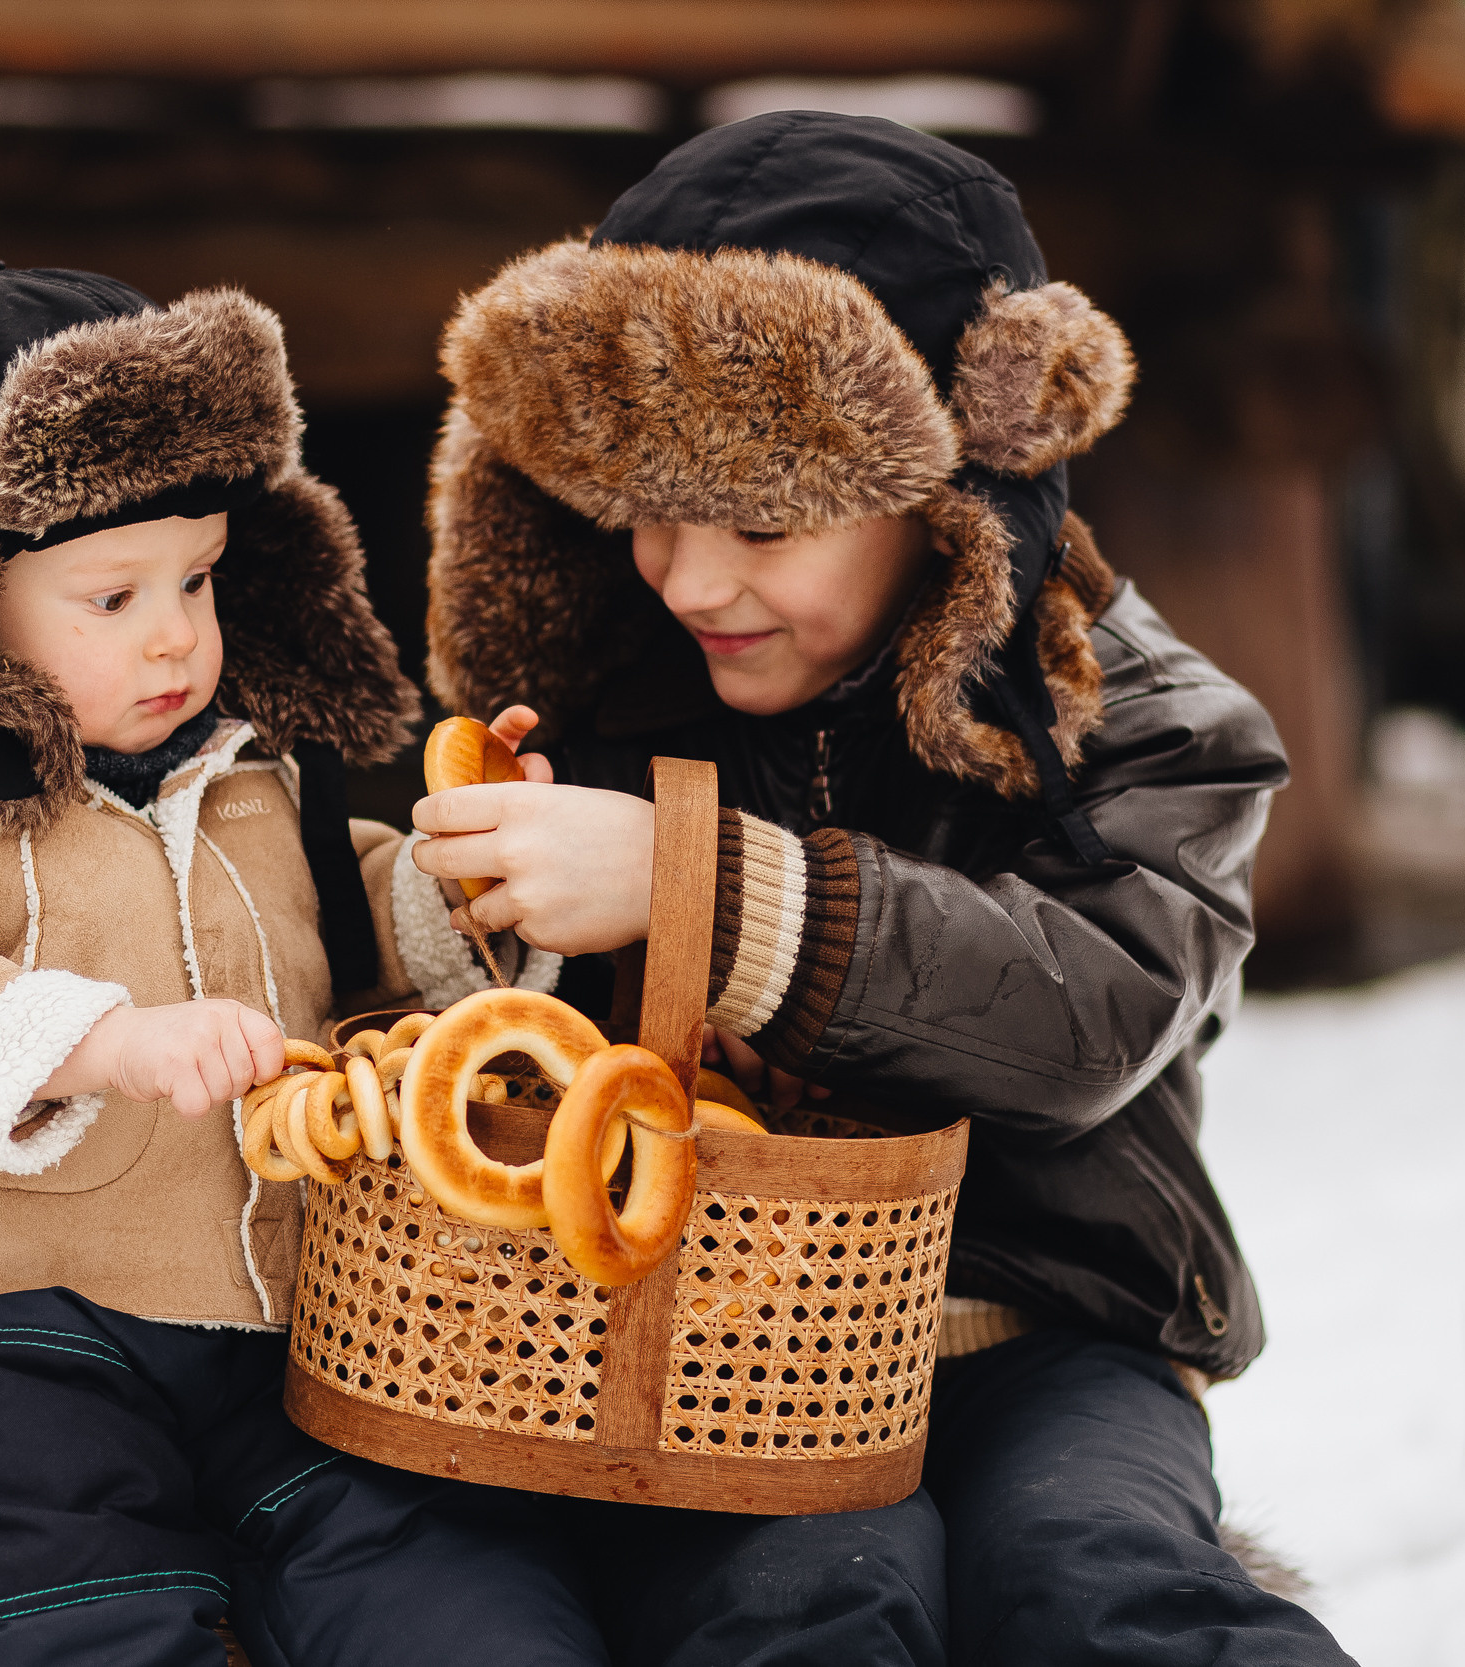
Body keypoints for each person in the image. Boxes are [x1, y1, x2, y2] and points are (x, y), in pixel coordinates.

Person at [407, 115, 1359, 1664]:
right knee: (806, 1602)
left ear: (949, 493)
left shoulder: (1151, 731)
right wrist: (479, 898)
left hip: (1051, 1336)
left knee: (1096, 1582)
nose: (690, 579)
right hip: (722, 1353)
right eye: (645, 512)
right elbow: (520, 1081)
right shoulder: (619, 709)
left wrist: (703, 891)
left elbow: (1085, 1017)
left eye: (761, 522)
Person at [0, 261, 578, 1667]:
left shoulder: (241, 771)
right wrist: (100, 1041)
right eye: (112, 595)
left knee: (452, 1584)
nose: (177, 632)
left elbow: (342, 926)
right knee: (54, 1595)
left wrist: (468, 883)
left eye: (197, 576)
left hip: (277, 1354)